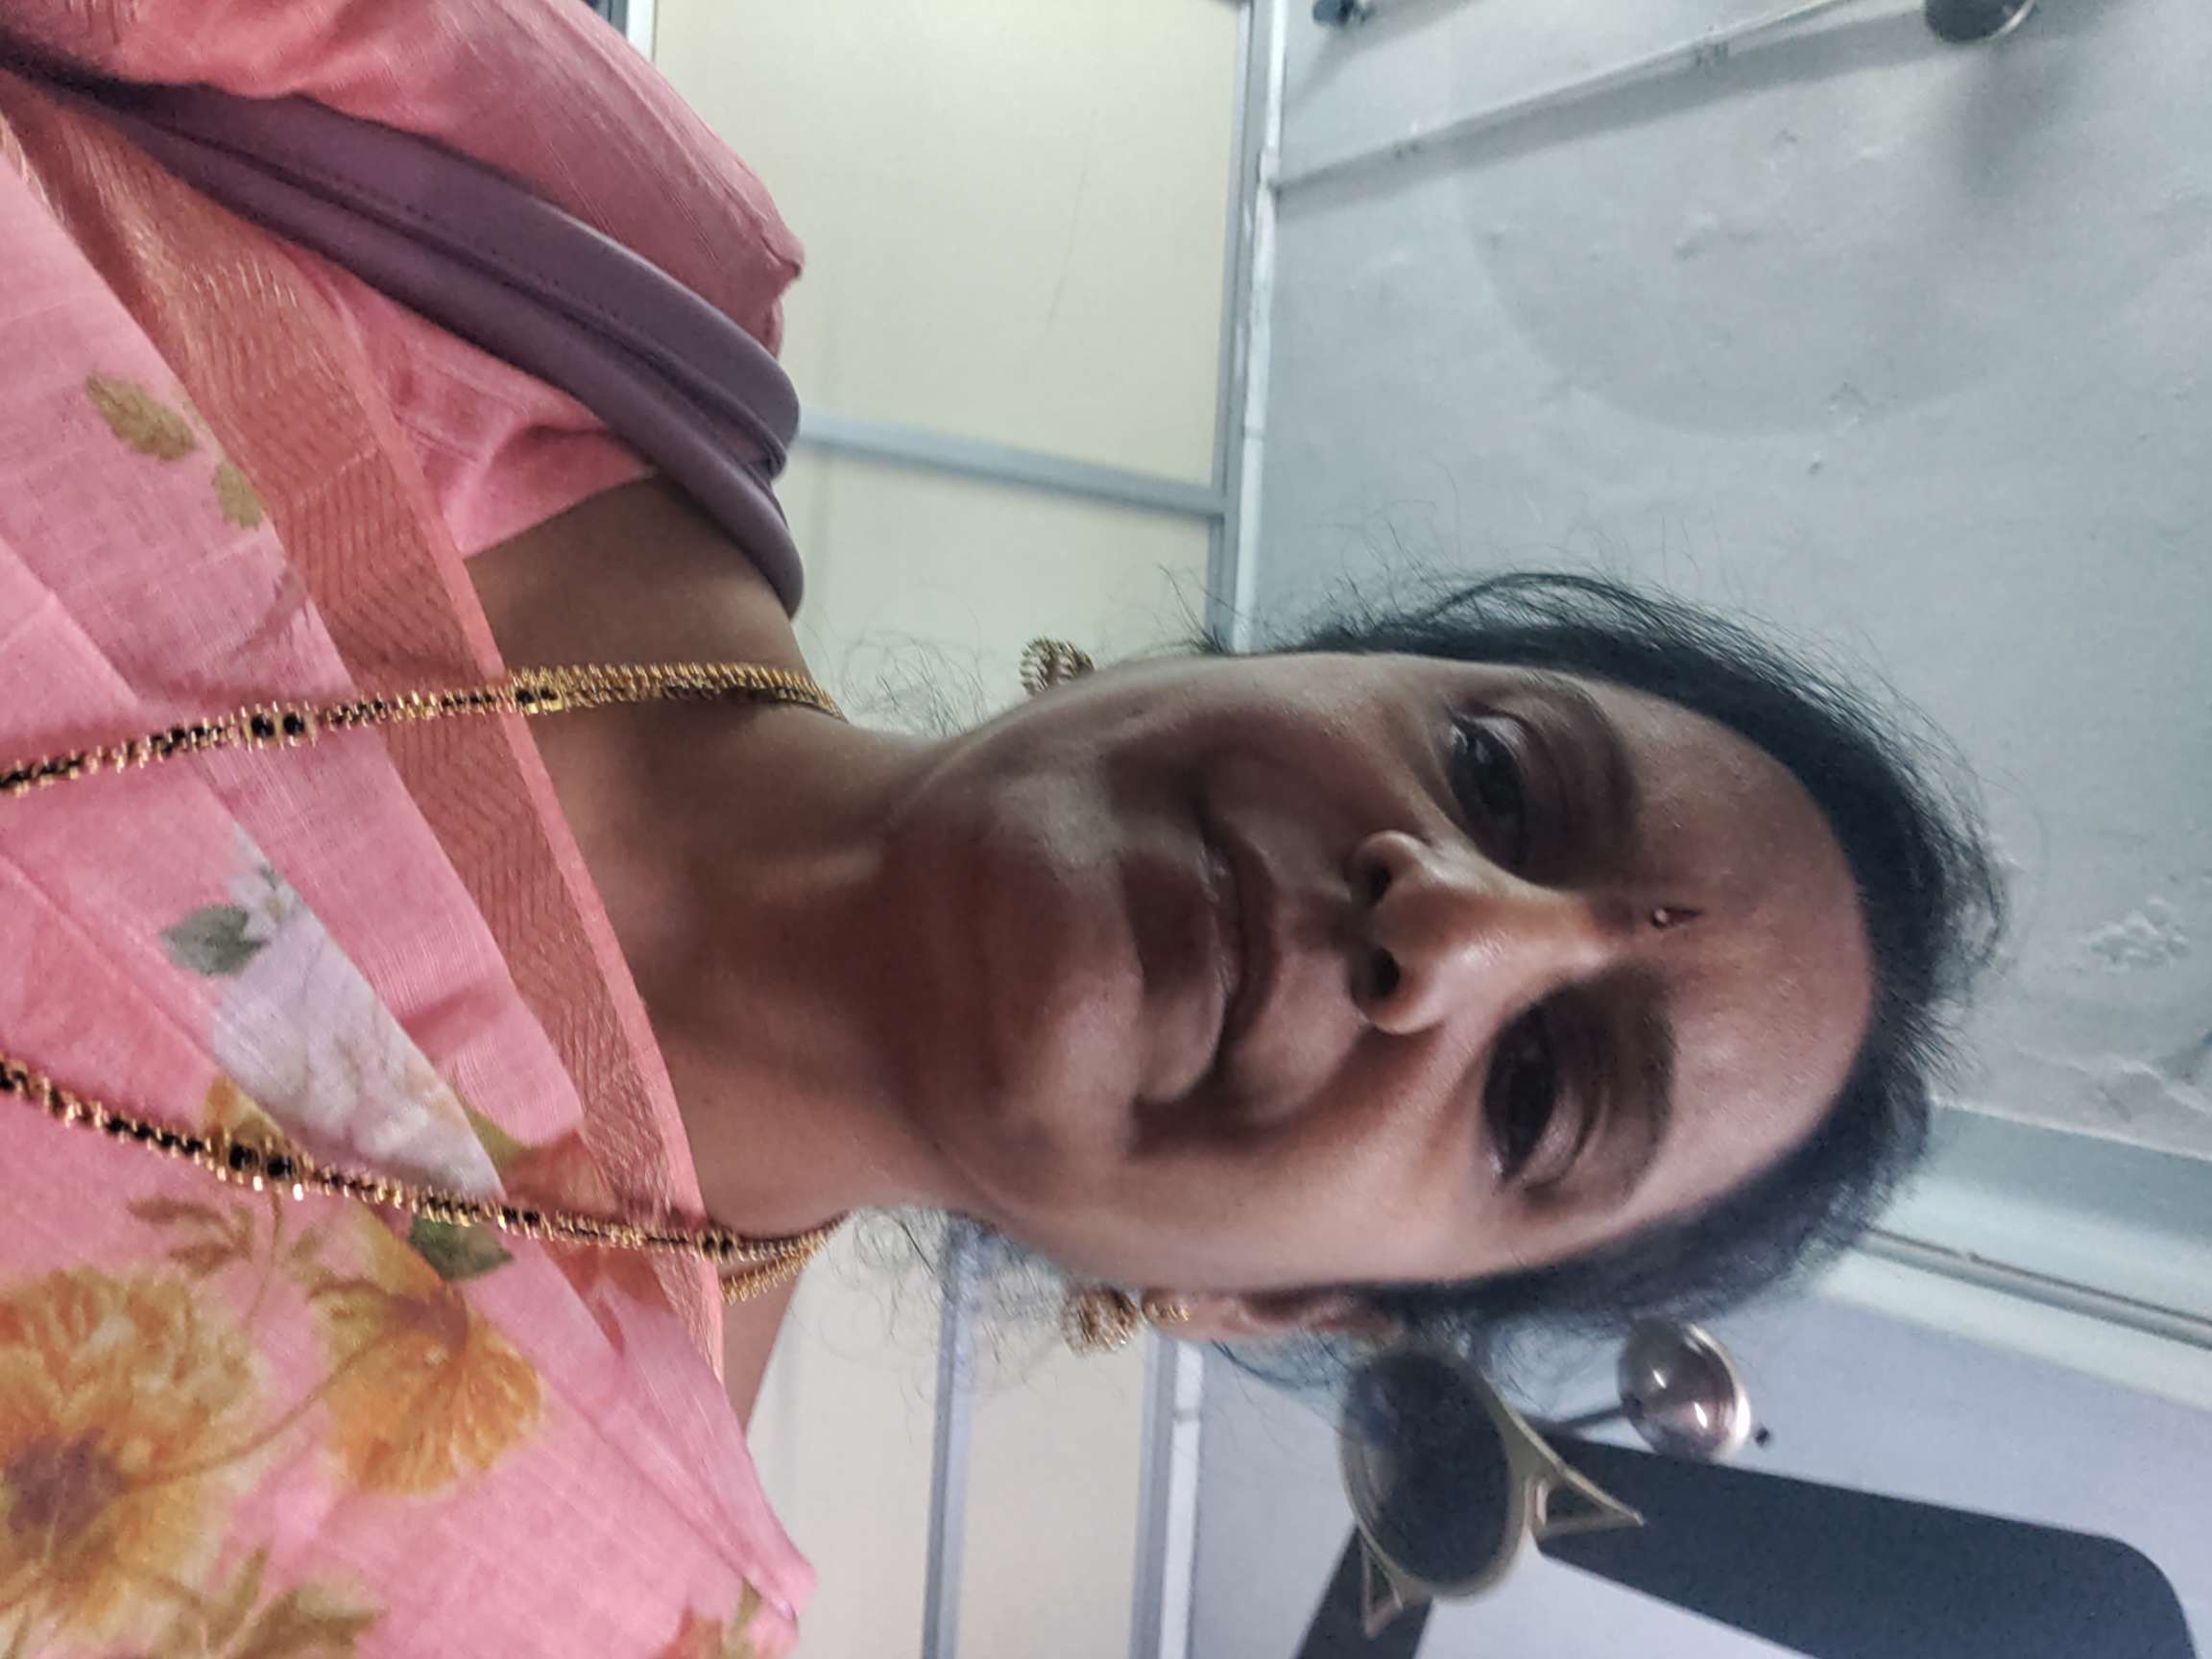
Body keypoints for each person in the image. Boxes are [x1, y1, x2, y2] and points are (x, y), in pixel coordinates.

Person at [0, 2, 1999, 1655]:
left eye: (1541, 1095)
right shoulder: (570, 246)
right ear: (1293, 661)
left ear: (1282, 1307)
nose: (1444, 932)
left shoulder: (553, 1600)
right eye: (1495, 775)